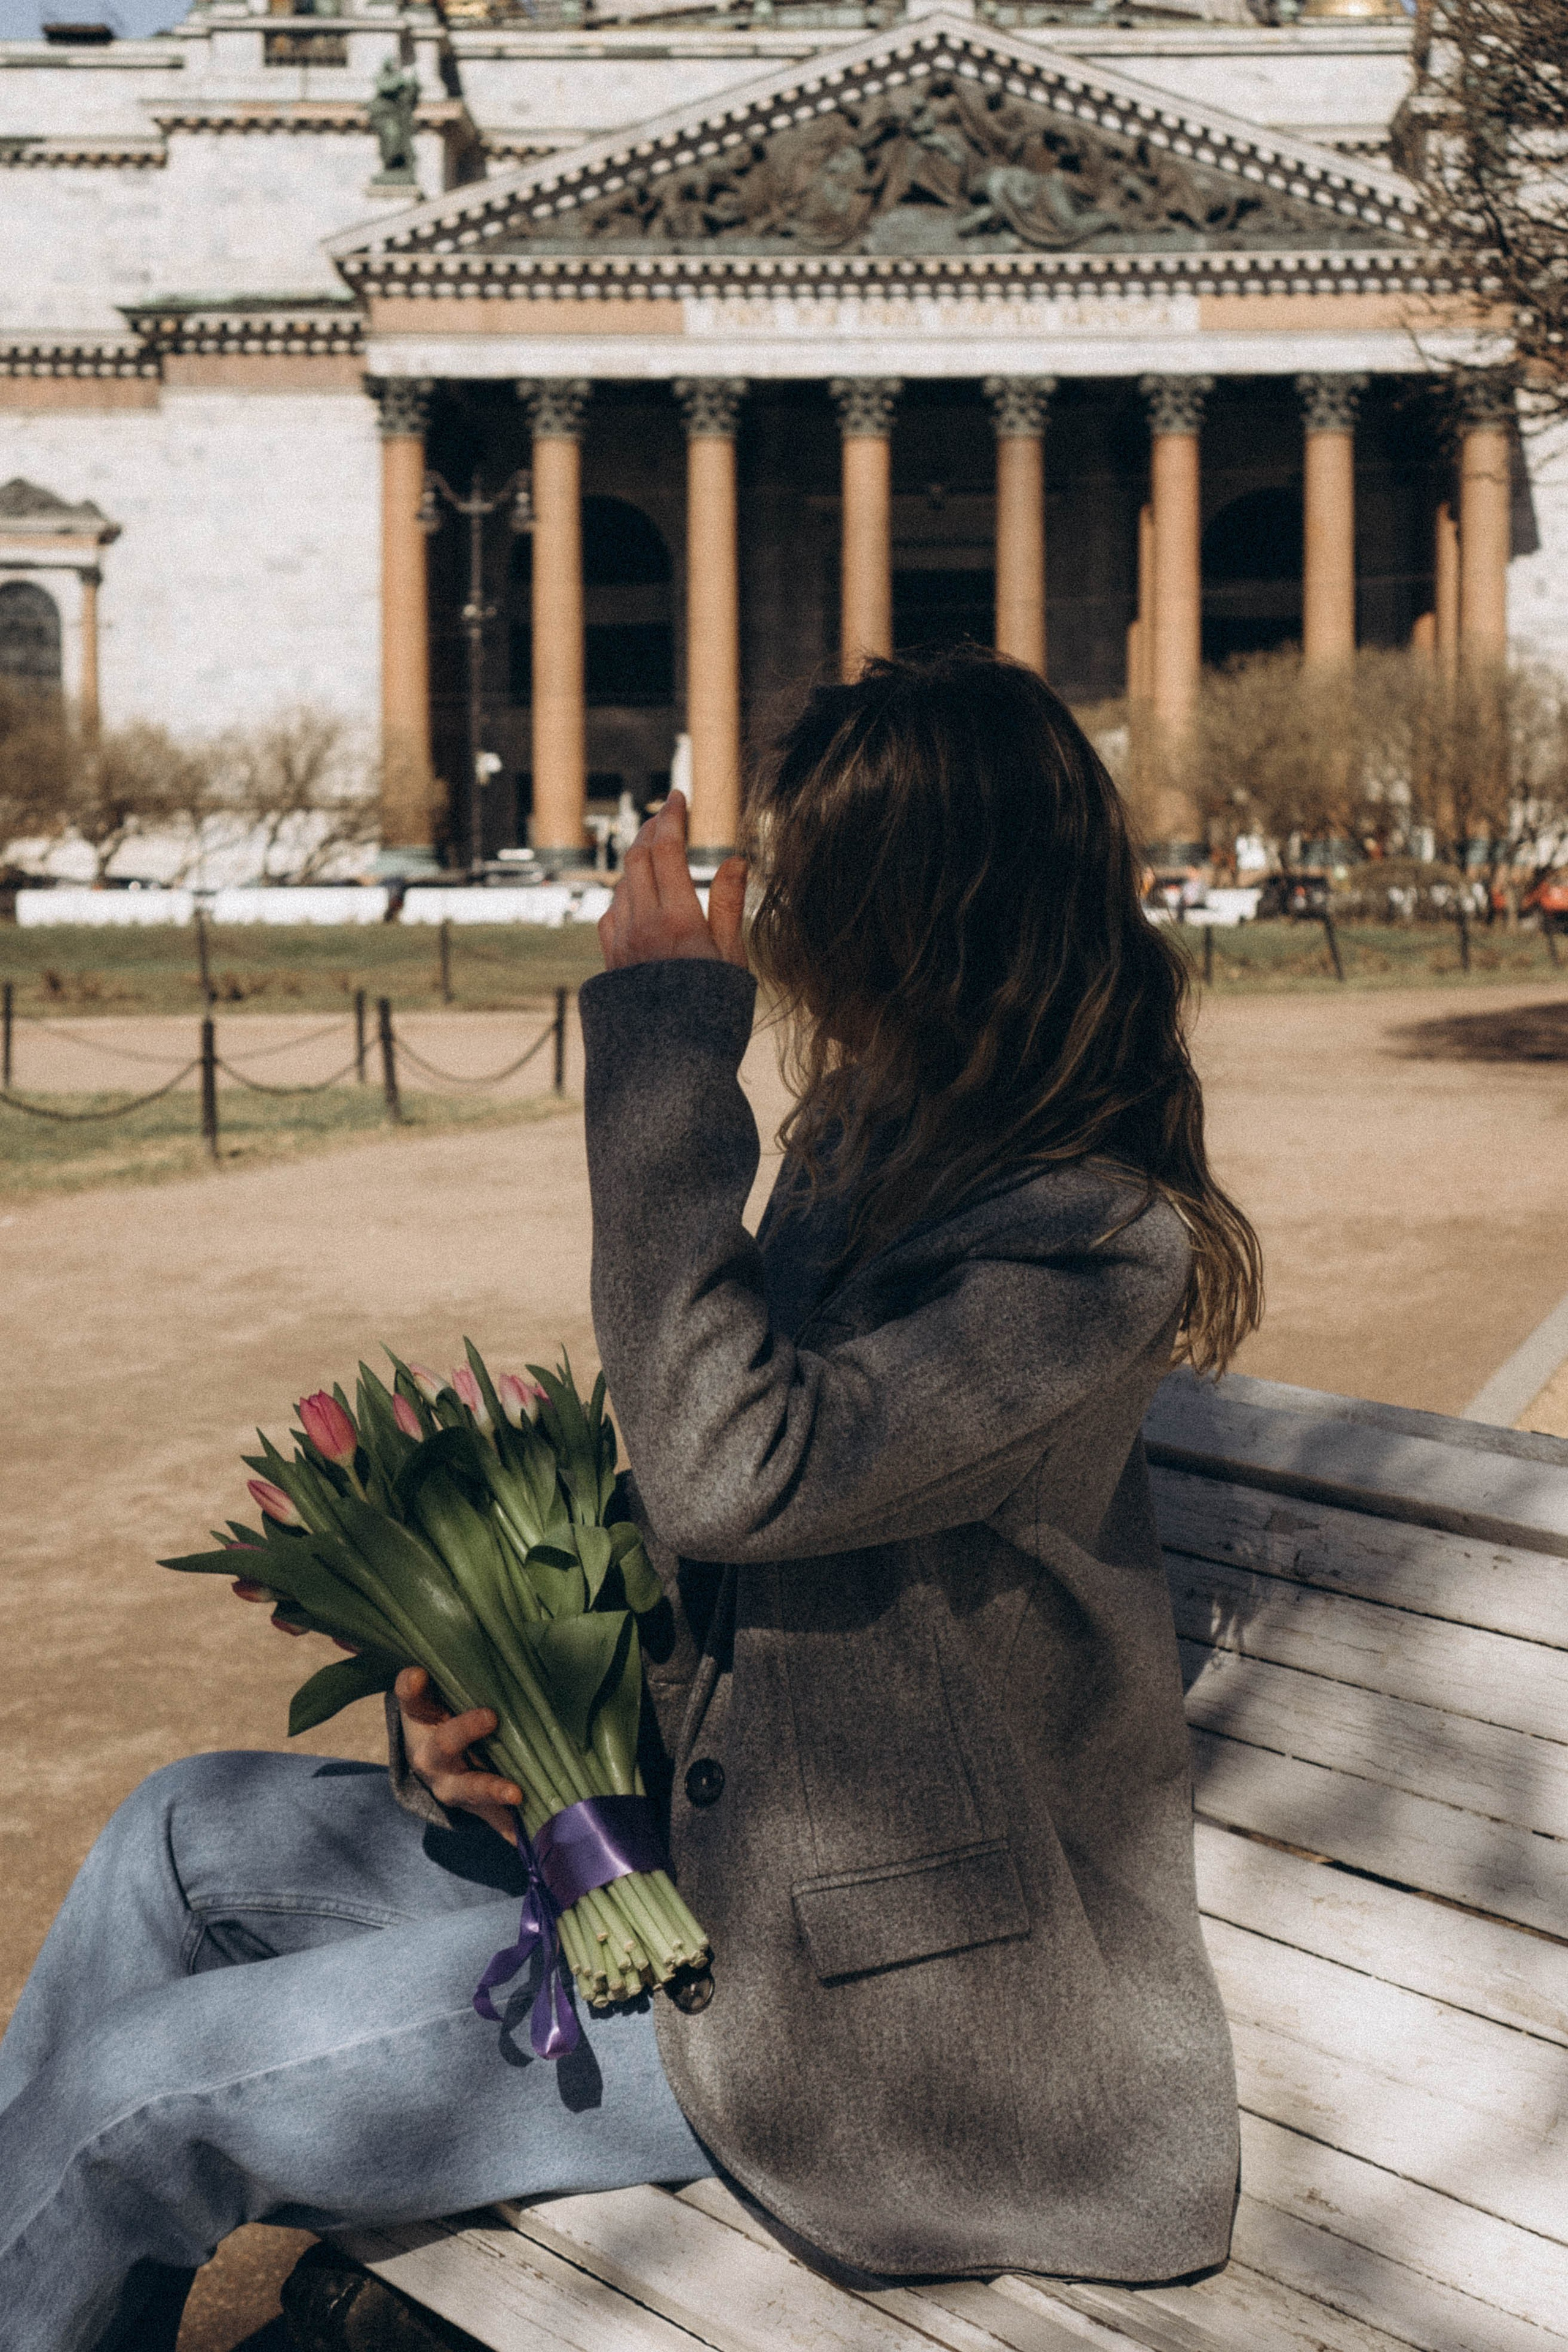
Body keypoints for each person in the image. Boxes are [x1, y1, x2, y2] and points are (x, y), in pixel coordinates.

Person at [0, 649, 1261, 2350]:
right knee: (178, 1831)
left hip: (888, 2026)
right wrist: (499, 1722)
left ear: (929, 914)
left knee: (143, 2098)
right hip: (701, 1896)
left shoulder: (1089, 1249)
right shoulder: (860, 1164)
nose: (777, 920)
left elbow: (732, 1466)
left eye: (811, 880)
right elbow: (694, 1544)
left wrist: (668, 1050)